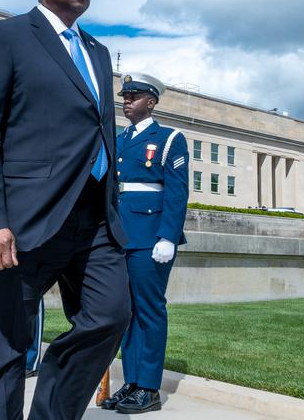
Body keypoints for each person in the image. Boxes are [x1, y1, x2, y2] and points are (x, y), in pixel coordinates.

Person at [0, 0, 131, 420]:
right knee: (4, 348)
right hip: (22, 222)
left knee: (111, 315)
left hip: (95, 220)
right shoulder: (7, 37)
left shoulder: (97, 53)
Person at [100, 73, 189, 414]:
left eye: (134, 96)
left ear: (151, 102)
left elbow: (177, 192)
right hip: (121, 233)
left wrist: (167, 236)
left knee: (149, 311)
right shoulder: (119, 139)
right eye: (125, 96)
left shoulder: (169, 138)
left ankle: (149, 388)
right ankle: (132, 382)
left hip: (151, 236)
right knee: (126, 313)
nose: (127, 101)